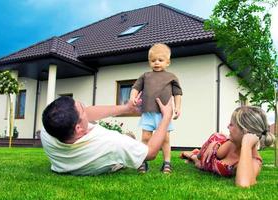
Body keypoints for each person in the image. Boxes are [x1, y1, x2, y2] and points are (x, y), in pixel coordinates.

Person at [41, 94, 174, 176]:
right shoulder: (109, 142)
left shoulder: (47, 130)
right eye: (82, 109)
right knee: (129, 138)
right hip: (112, 162)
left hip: (66, 163)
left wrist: (126, 108)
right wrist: (166, 116)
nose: (84, 107)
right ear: (79, 128)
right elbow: (150, 153)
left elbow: (88, 112)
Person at [180, 106, 275, 188]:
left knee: (199, 164)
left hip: (210, 163)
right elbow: (225, 140)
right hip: (212, 147)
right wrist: (215, 144)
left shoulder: (254, 161)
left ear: (245, 131)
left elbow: (243, 184)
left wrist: (246, 145)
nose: (227, 126)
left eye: (231, 124)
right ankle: (195, 154)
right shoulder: (233, 142)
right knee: (199, 157)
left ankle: (192, 155)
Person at [130, 43, 183, 174]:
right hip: (148, 113)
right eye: (153, 61)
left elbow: (177, 94)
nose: (156, 63)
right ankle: (143, 161)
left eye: (160, 60)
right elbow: (135, 88)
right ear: (149, 62)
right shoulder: (145, 76)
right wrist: (133, 98)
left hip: (164, 115)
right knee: (146, 137)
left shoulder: (171, 77)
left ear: (168, 62)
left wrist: (178, 107)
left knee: (165, 139)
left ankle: (167, 163)